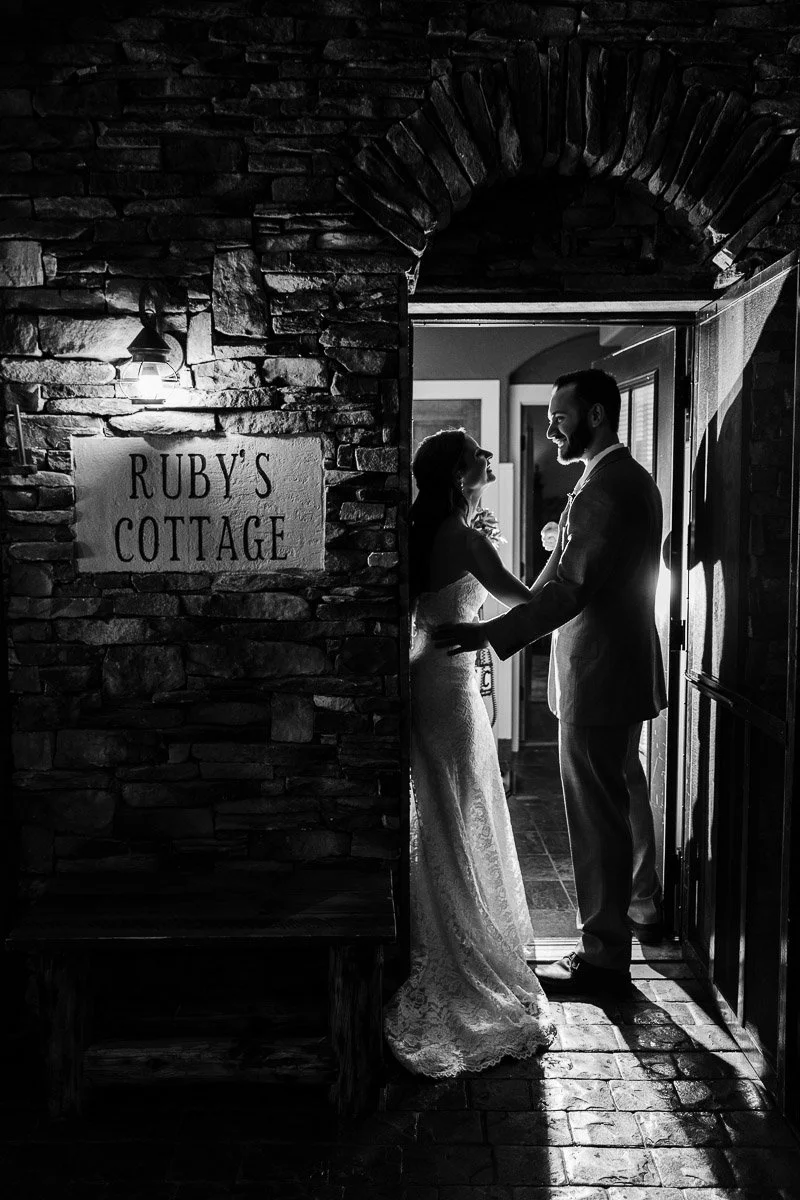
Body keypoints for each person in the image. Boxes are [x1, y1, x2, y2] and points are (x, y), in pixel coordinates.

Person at [434, 370, 667, 997]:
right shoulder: (619, 479)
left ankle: (603, 959)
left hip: (600, 676)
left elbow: (570, 589)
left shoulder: (608, 486)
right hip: (612, 672)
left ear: (594, 414)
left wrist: (491, 634)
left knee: (597, 820)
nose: (551, 427)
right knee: (609, 811)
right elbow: (575, 570)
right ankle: (610, 943)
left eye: (559, 416)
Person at [383, 428, 555, 1077]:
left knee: (435, 809)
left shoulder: (419, 531)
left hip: (423, 674)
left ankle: (429, 934)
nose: (487, 460)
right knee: (458, 807)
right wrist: (558, 556)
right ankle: (459, 950)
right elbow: (529, 603)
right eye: (477, 456)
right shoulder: (467, 538)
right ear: (460, 474)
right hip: (452, 691)